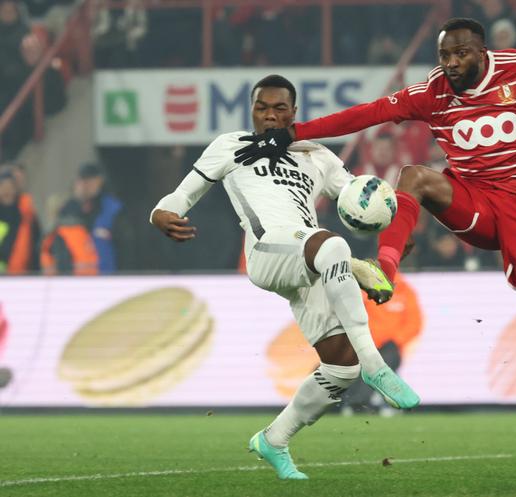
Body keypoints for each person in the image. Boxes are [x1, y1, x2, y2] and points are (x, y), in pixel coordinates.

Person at [231, 18, 516, 481]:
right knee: (413, 175)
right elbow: (369, 113)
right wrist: (294, 133)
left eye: (460, 55)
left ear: (481, 51)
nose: (452, 64)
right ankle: (385, 269)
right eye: (444, 56)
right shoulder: (433, 93)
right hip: (474, 202)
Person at [150, 75, 420, 481]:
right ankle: (375, 363)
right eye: (262, 108)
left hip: (307, 264)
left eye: (280, 108)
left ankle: (274, 440)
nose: (271, 115)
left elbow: (363, 201)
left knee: (339, 368)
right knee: (332, 246)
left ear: (294, 113)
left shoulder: (317, 154)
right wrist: (160, 211)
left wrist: (393, 234)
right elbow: (182, 195)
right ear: (252, 111)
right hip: (267, 252)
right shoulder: (231, 145)